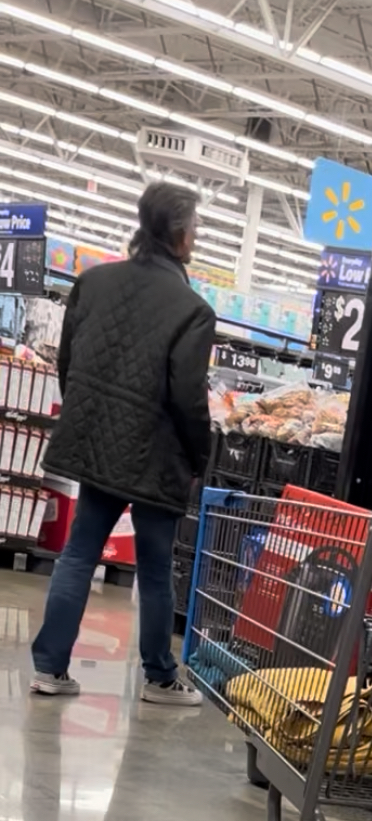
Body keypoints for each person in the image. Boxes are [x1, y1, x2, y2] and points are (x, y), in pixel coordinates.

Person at [30, 181, 215, 705]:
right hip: (156, 457)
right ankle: (159, 678)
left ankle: (49, 669)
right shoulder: (192, 310)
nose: (196, 236)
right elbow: (188, 398)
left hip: (98, 444)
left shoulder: (93, 283)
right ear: (179, 235)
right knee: (155, 570)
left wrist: (92, 417)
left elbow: (69, 363)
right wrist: (198, 456)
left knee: (78, 554)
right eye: (195, 227)